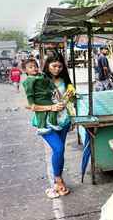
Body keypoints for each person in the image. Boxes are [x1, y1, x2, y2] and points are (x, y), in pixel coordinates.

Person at [25, 52, 76, 198]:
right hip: (45, 123)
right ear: (47, 65)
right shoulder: (39, 78)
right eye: (54, 65)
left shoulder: (65, 80)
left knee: (59, 151)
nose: (57, 69)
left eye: (60, 66)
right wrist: (50, 108)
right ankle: (59, 180)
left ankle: (57, 181)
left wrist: (71, 95)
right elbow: (28, 105)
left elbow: (72, 101)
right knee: (58, 149)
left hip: (63, 121)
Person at [22, 58, 62, 135]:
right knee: (41, 113)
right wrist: (32, 103)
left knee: (54, 109)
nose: (34, 68)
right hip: (38, 99)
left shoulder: (42, 75)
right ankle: (40, 127)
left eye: (35, 66)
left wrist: (55, 89)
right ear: (25, 70)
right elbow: (29, 94)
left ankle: (52, 123)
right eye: (31, 67)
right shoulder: (28, 81)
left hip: (47, 97)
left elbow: (50, 82)